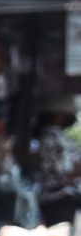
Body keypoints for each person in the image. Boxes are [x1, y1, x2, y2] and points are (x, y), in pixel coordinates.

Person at [37, 95, 81, 229]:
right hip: (57, 198)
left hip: (62, 198)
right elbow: (62, 173)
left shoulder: (57, 137)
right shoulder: (52, 138)